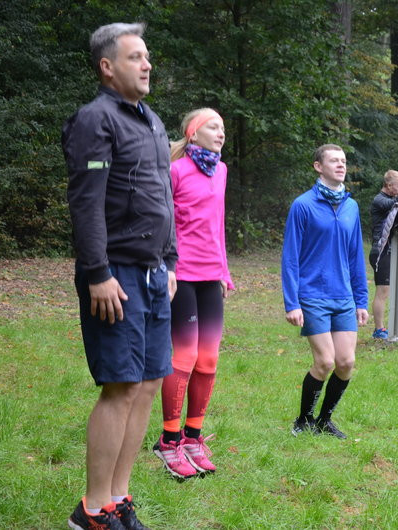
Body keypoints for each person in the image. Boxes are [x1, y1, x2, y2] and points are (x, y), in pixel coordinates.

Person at [63, 22, 176, 529]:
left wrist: (170, 261)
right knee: (120, 387)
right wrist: (98, 273)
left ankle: (117, 500)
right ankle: (90, 510)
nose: (147, 64)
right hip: (116, 275)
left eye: (147, 56)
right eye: (135, 57)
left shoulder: (150, 121)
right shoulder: (95, 120)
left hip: (154, 275)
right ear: (108, 67)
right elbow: (86, 206)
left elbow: (162, 198)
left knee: (150, 383)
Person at [152, 108, 234, 479]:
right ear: (193, 133)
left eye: (222, 128)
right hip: (180, 274)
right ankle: (168, 441)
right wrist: (165, 268)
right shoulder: (175, 170)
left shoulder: (222, 171)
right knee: (183, 356)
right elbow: (162, 222)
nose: (220, 133)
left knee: (209, 359)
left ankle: (192, 437)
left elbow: (218, 225)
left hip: (210, 274)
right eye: (213, 127)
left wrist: (224, 272)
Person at [282, 144, 369, 440]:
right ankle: (303, 419)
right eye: (334, 160)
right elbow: (291, 257)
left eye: (343, 160)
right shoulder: (303, 205)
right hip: (312, 296)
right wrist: (292, 302)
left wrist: (361, 299)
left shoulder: (351, 206)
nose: (341, 165)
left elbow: (356, 255)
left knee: (346, 363)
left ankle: (324, 420)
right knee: (325, 362)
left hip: (343, 297)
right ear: (318, 166)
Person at [368, 170, 398, 340]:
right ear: (389, 186)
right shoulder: (380, 200)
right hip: (380, 251)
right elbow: (397, 204)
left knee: (390, 290)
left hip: (390, 249)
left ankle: (391, 325)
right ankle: (379, 329)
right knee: (383, 290)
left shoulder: (388, 199)